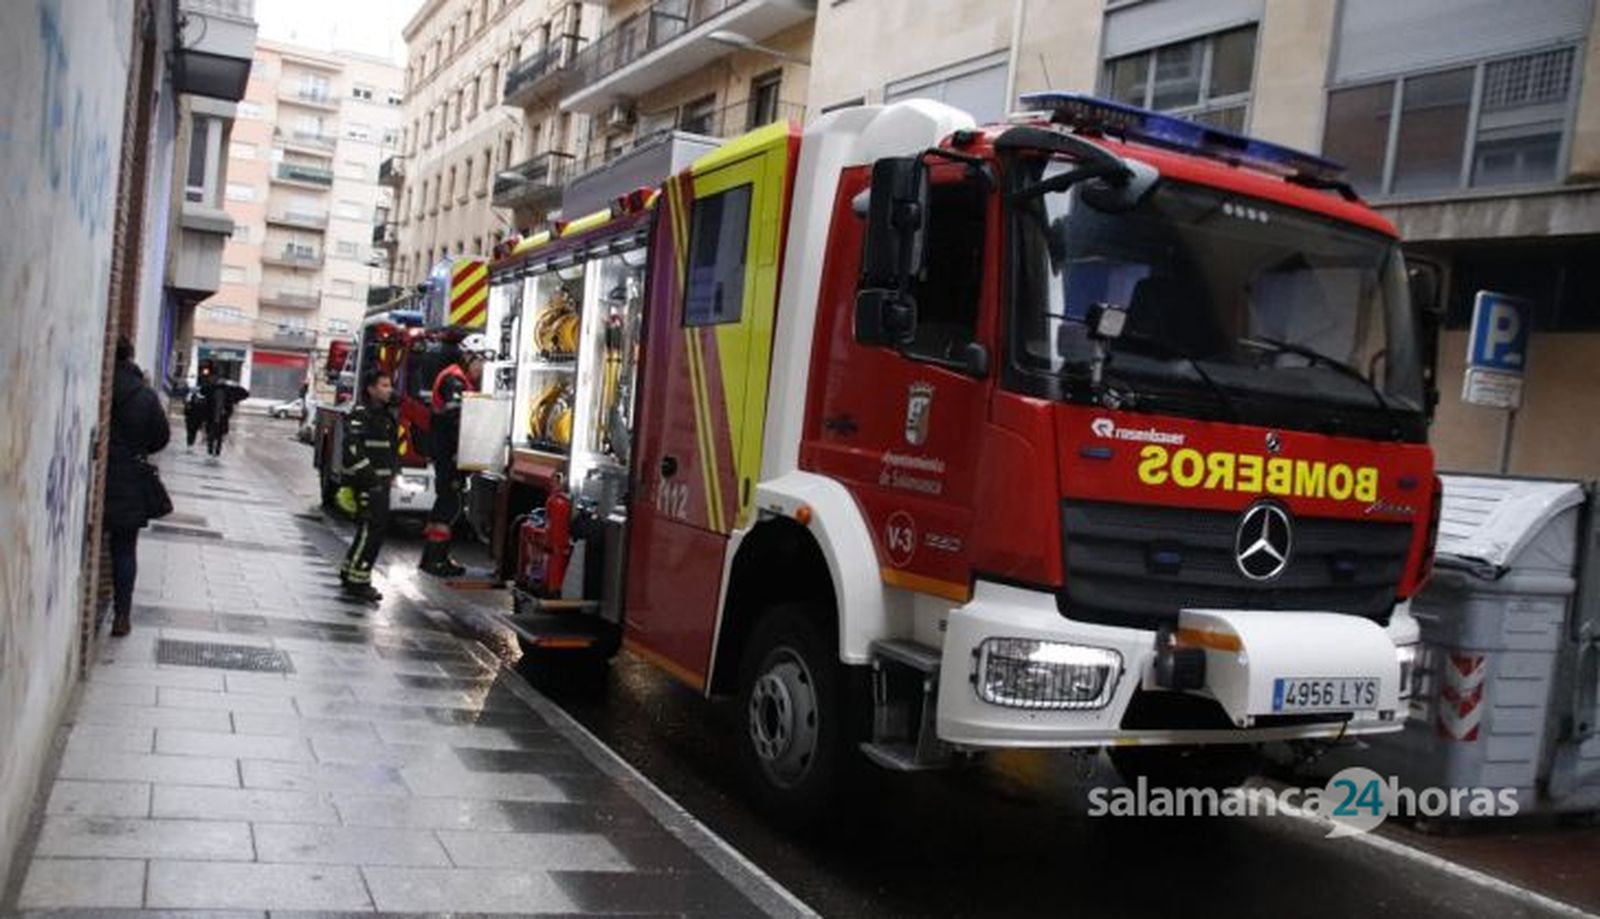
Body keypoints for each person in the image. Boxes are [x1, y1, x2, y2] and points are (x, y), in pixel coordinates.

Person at [103, 336, 171, 636]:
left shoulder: (100, 384)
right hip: (130, 477)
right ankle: (121, 615)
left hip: (97, 474)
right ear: (130, 357)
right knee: (124, 547)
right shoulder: (144, 395)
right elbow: (161, 437)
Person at [420, 333, 491, 577]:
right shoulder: (455, 381)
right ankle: (435, 559)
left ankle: (431, 556)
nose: (482, 369)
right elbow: (456, 421)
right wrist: (463, 452)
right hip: (448, 453)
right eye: (481, 362)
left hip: (445, 452)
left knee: (445, 503)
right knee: (449, 505)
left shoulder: (456, 378)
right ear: (470, 357)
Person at [339, 369, 399, 605]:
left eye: (389, 385)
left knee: (370, 530)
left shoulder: (386, 416)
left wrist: (394, 473)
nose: (389, 389)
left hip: (381, 485)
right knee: (372, 532)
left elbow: (391, 450)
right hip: (369, 486)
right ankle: (359, 582)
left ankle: (349, 571)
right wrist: (371, 480)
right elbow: (352, 450)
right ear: (371, 389)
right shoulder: (361, 415)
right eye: (384, 385)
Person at [202, 376, 249, 457]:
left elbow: (245, 394)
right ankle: (213, 450)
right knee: (215, 433)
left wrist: (236, 386)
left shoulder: (227, 392)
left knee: (216, 434)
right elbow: (203, 391)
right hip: (214, 416)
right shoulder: (213, 390)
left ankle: (214, 450)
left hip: (219, 416)